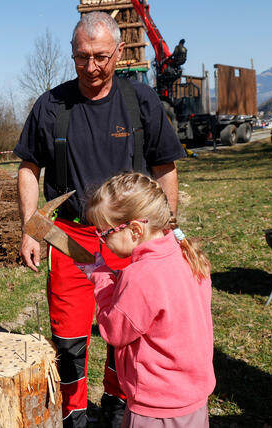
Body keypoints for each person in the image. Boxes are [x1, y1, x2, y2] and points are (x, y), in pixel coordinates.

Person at [13, 11, 186, 428]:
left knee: (127, 333)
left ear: (119, 53)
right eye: (81, 57)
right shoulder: (51, 105)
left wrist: (167, 229)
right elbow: (27, 167)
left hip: (131, 236)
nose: (91, 67)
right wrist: (30, 227)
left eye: (101, 57)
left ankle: (117, 403)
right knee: (69, 338)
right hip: (69, 237)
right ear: (72, 54)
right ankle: (72, 412)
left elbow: (165, 168)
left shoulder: (140, 101)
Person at [81, 171, 215, 427]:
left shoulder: (141, 276)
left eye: (104, 233)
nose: (102, 241)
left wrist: (101, 278)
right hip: (192, 401)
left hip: (155, 407)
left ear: (134, 230)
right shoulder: (186, 255)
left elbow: (113, 330)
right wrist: (119, 280)